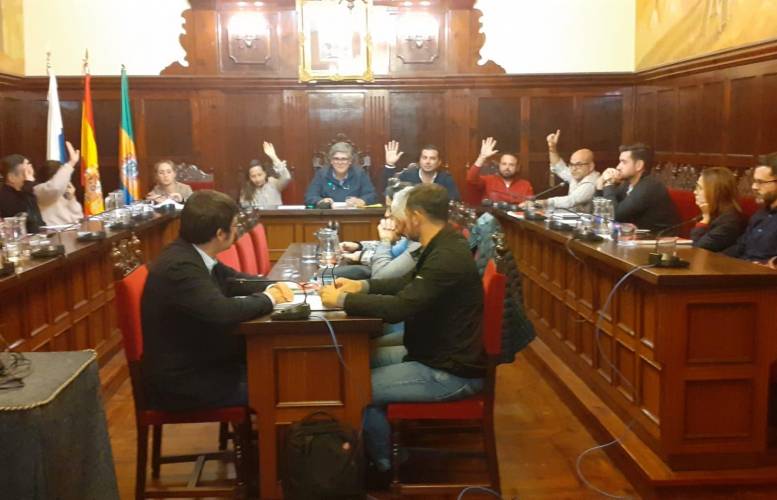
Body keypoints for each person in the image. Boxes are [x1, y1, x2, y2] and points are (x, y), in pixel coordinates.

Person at [320, 184, 484, 472]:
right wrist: (362, 285)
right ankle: (379, 453)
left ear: (416, 216)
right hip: (431, 352)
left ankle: (386, 465)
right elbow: (404, 283)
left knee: (352, 386)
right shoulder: (443, 242)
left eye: (403, 216)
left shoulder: (446, 256)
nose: (399, 223)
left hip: (450, 370)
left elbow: (400, 308)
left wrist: (343, 300)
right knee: (353, 363)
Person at [141, 190, 293, 411]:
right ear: (221, 234)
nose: (237, 230)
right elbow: (222, 311)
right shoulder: (180, 266)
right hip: (185, 380)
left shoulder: (192, 252)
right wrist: (270, 299)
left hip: (207, 362)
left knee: (282, 371)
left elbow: (233, 280)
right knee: (283, 386)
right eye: (234, 225)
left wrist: (281, 285)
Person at [338, 182, 421, 280]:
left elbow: (381, 274)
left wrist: (363, 255)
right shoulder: (408, 237)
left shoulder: (418, 242)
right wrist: (359, 245)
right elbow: (390, 250)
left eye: (390, 209)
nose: (386, 214)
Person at [595, 143, 680, 232]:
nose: (618, 167)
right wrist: (599, 188)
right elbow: (599, 214)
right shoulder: (626, 184)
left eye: (624, 162)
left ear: (639, 165)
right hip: (635, 236)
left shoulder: (649, 186)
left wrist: (608, 183)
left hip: (660, 238)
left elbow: (614, 215)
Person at [724, 153, 777, 266]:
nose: (754, 187)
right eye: (754, 181)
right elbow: (741, 246)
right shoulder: (760, 214)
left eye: (760, 182)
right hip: (742, 269)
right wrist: (713, 259)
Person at [541, 129, 600, 213]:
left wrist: (544, 202)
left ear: (591, 166)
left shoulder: (592, 182)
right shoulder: (577, 175)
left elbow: (571, 200)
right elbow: (559, 168)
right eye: (572, 164)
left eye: (579, 165)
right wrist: (552, 148)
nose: (574, 168)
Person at [304, 142, 378, 207]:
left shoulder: (360, 174)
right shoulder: (322, 174)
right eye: (336, 159)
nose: (340, 162)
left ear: (350, 161)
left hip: (354, 216)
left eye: (344, 159)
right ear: (331, 161)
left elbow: (372, 195)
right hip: (328, 215)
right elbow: (310, 197)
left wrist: (362, 201)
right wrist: (320, 201)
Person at [690, 167, 745, 252]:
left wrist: (705, 219)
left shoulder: (730, 221)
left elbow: (699, 249)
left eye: (700, 188)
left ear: (716, 192)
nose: (695, 192)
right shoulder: (714, 213)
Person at [384, 140, 460, 201]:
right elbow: (388, 193)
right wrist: (390, 165)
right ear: (419, 160)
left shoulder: (446, 179)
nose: (428, 162)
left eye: (432, 158)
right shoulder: (407, 176)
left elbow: (454, 200)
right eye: (424, 158)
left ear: (439, 162)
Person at [466, 137, 533, 203]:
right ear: (499, 165)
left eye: (511, 165)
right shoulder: (488, 180)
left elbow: (530, 205)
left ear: (517, 167)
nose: (507, 167)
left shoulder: (526, 185)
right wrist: (482, 157)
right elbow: (471, 178)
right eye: (504, 164)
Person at [34, 141, 84, 226]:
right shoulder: (40, 190)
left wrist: (71, 199)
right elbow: (55, 187)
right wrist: (71, 163)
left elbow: (79, 218)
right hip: (53, 233)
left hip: (70, 230)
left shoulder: (64, 192)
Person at [0, 153, 45, 233]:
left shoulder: (24, 192)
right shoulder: (6, 197)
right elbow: (32, 225)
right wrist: (29, 186)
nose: (30, 177)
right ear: (11, 177)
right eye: (26, 173)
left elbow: (40, 224)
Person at [239, 141, 291, 208]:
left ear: (265, 174)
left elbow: (286, 177)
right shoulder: (246, 190)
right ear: (249, 177)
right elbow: (245, 208)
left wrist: (273, 157)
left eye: (260, 175)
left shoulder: (273, 183)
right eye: (253, 176)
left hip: (275, 214)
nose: (257, 179)